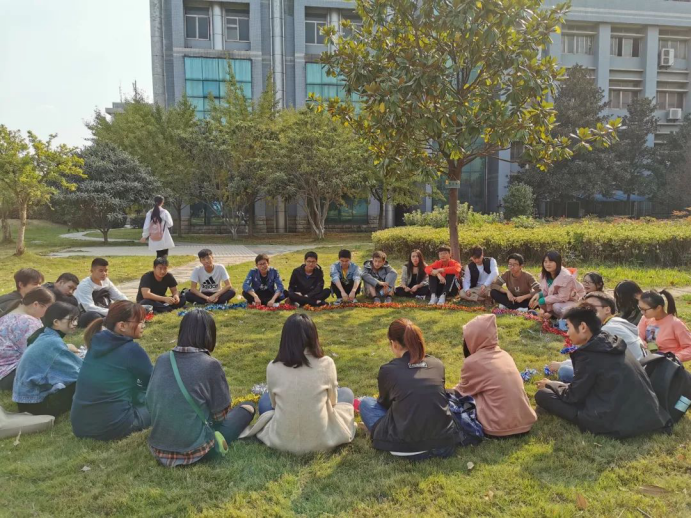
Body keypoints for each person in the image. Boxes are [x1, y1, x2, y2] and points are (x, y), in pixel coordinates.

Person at [535, 304, 670, 438]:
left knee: (543, 394)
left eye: (568, 327)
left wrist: (551, 384)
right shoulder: (612, 341)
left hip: (613, 421)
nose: (567, 333)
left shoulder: (589, 355)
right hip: (648, 413)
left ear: (583, 327)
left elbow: (573, 396)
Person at [147, 310, 256, 467]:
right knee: (248, 408)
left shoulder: (162, 359)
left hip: (159, 445)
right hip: (196, 449)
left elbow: (150, 402)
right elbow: (220, 416)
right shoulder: (210, 365)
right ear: (209, 335)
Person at [241, 314, 356, 455]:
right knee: (346, 393)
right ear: (313, 337)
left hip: (282, 440)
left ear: (285, 339)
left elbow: (274, 404)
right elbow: (333, 401)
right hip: (322, 438)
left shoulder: (273, 366)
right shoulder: (327, 363)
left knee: (265, 400)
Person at [359, 319, 458, 460]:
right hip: (444, 445)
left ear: (394, 344)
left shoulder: (388, 370)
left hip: (404, 447)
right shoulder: (437, 364)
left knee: (366, 403)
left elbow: (384, 404)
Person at [71, 301, 153, 441]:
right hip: (113, 427)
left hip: (80, 426)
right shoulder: (131, 350)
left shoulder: (96, 342)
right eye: (140, 322)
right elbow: (153, 381)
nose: (143, 325)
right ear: (122, 326)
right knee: (164, 403)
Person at [454, 314, 537, 438]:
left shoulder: (473, 361)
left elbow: (462, 391)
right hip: (524, 423)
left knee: (464, 401)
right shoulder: (505, 355)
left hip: (497, 427)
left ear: (474, 338)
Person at [549, 292, 648, 383]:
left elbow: (591, 365)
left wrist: (562, 365)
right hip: (642, 373)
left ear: (607, 310)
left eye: (590, 307)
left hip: (628, 380)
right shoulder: (617, 322)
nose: (585, 311)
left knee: (564, 371)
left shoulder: (607, 331)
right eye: (584, 307)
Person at [12, 303, 82, 417]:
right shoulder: (53, 343)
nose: (75, 323)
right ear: (56, 322)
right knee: (86, 382)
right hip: (36, 406)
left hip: (25, 401)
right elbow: (78, 373)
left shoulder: (44, 336)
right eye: (72, 319)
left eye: (76, 319)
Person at [0, 288, 55, 392]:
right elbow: (39, 354)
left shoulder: (10, 314)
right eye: (48, 309)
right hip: (11, 374)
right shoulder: (27, 322)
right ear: (36, 304)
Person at [74, 258, 129, 329]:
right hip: (86, 313)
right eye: (101, 271)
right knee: (95, 316)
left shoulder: (106, 281)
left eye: (106, 271)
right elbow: (89, 307)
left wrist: (129, 305)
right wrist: (111, 312)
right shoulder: (85, 285)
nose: (104, 274)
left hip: (104, 310)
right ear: (92, 271)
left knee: (123, 308)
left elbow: (118, 295)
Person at [638, 290, 691, 362]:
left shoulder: (676, 324)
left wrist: (675, 358)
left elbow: (689, 347)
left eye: (644, 309)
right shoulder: (645, 319)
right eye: (640, 308)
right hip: (649, 361)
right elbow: (638, 336)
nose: (642, 312)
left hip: (668, 365)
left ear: (658, 308)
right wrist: (643, 343)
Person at [529, 251, 584, 319]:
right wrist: (539, 295)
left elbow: (562, 297)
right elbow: (549, 291)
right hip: (563, 300)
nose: (547, 264)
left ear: (558, 262)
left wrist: (543, 300)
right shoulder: (546, 275)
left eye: (551, 261)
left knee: (556, 306)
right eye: (545, 262)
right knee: (542, 301)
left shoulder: (566, 277)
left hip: (575, 300)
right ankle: (552, 315)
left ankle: (566, 320)